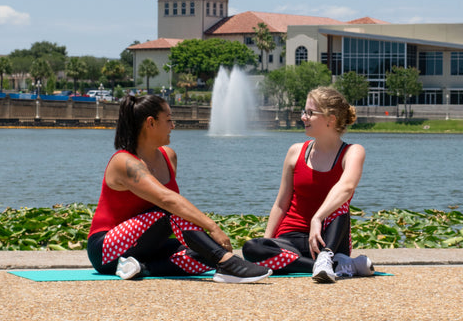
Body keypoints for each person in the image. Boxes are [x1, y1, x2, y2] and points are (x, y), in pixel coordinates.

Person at [87, 94, 272, 284]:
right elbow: (167, 200)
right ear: (150, 123)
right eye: (168, 120)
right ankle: (228, 265)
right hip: (105, 251)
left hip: (147, 246)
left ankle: (140, 268)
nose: (173, 126)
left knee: (204, 254)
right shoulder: (124, 162)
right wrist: (212, 227)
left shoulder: (169, 156)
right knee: (169, 210)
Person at [242, 86, 374, 283]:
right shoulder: (295, 152)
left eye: (310, 113)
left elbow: (346, 187)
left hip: (329, 238)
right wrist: (266, 241)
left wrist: (317, 218)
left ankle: (327, 258)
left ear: (331, 119)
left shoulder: (353, 152)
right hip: (291, 239)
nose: (303, 117)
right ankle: (337, 266)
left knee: (341, 201)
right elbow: (281, 204)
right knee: (252, 248)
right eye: (304, 112)